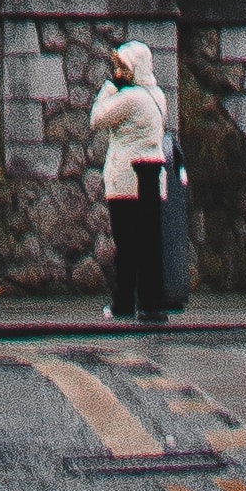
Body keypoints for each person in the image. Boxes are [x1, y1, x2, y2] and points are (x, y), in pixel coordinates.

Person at [86, 33, 172, 330]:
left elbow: (96, 119)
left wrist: (108, 88)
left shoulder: (129, 98)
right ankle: (148, 300)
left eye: (123, 68)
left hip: (125, 179)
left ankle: (123, 301)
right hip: (152, 179)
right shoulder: (158, 96)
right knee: (146, 241)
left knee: (126, 244)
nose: (118, 73)